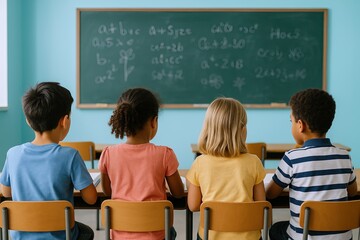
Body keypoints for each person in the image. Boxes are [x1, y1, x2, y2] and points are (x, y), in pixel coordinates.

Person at [0, 82, 97, 240]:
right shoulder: (70, 155)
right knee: (87, 232)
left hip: (21, 235)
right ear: (64, 121)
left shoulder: (13, 154)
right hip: (60, 235)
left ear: (28, 120)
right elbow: (91, 198)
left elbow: (6, 192)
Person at [266, 88, 358, 240]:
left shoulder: (292, 158)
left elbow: (271, 194)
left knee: (276, 229)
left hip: (302, 237)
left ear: (300, 125)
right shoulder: (344, 157)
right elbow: (353, 191)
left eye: (291, 121)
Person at [98, 88, 184, 240]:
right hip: (156, 234)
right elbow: (178, 193)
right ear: (154, 122)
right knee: (172, 232)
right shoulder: (165, 154)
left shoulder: (108, 154)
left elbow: (107, 192)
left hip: (120, 234)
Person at [186, 97, 266, 240]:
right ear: (242, 130)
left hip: (210, 236)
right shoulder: (254, 162)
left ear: (208, 129)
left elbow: (193, 206)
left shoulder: (200, 163)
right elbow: (261, 206)